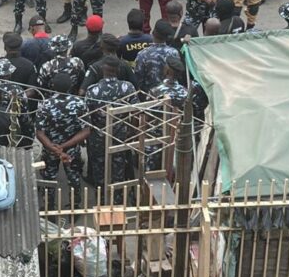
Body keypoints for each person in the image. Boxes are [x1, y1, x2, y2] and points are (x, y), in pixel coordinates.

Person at [85, 57, 137, 196]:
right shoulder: (127, 87)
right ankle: (118, 199)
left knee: (99, 168)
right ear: (118, 70)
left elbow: (87, 116)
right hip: (121, 135)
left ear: (103, 69)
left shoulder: (93, 90)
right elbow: (137, 112)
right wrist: (131, 130)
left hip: (98, 137)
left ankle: (102, 199)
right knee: (119, 167)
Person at [36, 73, 90, 206]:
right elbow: (86, 131)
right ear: (70, 86)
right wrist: (64, 147)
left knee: (49, 178)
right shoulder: (79, 103)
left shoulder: (45, 105)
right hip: (72, 148)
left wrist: (55, 148)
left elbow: (39, 133)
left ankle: (50, 207)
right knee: (74, 178)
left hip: (50, 149)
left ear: (53, 86)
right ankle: (75, 206)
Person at [147, 54, 188, 170]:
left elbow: (148, 116)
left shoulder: (155, 91)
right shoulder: (186, 92)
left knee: (152, 175)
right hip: (178, 138)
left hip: (156, 139)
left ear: (168, 70)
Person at [134, 20, 180, 94]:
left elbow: (138, 80)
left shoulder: (142, 54)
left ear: (153, 33)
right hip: (171, 94)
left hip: (150, 97)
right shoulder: (174, 53)